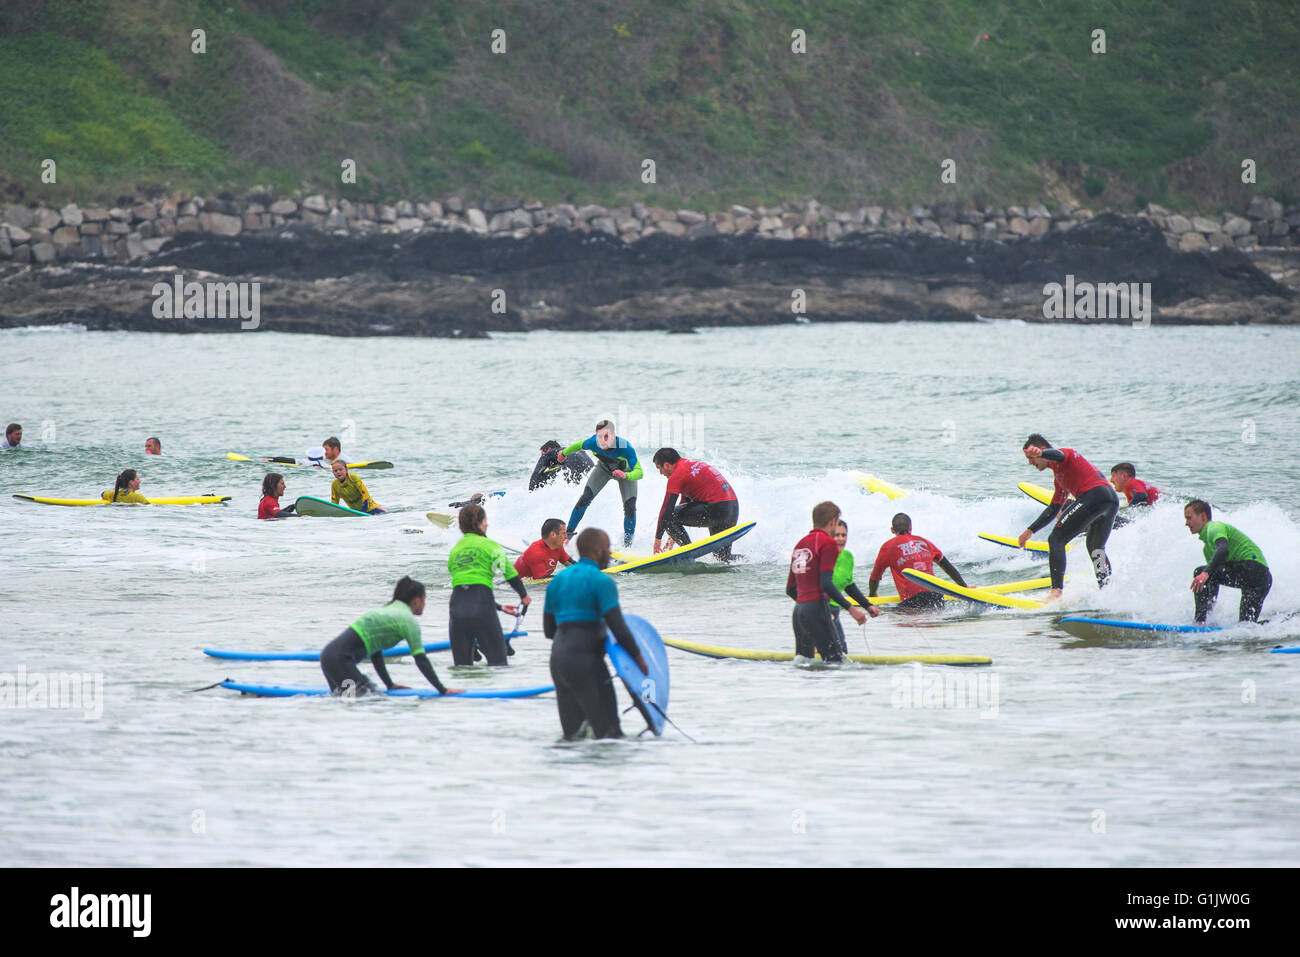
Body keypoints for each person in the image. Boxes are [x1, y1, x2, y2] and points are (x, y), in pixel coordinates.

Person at [544, 528, 648, 740]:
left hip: (558, 660)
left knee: (572, 736)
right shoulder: (602, 581)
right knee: (609, 734)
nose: (610, 554)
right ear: (598, 550)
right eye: (608, 549)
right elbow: (618, 627)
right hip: (586, 661)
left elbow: (548, 630)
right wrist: (639, 659)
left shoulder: (557, 581)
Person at [319, 577, 462, 696]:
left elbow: (375, 652)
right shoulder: (408, 621)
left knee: (346, 700)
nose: (425, 604)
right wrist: (442, 690)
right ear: (416, 601)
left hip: (329, 658)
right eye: (425, 599)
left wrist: (389, 684)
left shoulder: (388, 610)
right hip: (340, 661)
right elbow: (421, 659)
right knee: (370, 698)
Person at [1017, 434, 1118, 600]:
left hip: (1094, 495)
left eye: (1031, 457)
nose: (1030, 462)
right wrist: (1030, 531)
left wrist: (1042, 454)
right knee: (1095, 547)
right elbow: (1054, 507)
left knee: (1056, 539)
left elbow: (1058, 455)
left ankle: (1056, 592)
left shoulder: (1065, 455)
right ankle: (1107, 590)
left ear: (1041, 450)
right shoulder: (1059, 478)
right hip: (1110, 500)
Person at [787, 501, 874, 663]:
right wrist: (852, 610)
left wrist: (806, 606)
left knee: (803, 664)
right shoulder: (827, 544)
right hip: (817, 609)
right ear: (833, 521)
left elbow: (790, 589)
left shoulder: (800, 544)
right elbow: (825, 583)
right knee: (835, 664)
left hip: (799, 612)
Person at [447, 503, 530, 666]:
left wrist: (498, 607)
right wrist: (524, 595)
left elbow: (467, 588)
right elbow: (510, 574)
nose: (487, 524)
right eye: (485, 520)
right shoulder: (491, 545)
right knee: (499, 664)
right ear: (478, 523)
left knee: (462, 668)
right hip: (482, 608)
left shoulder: (455, 550)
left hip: (456, 608)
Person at [556, 420, 642, 545]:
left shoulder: (625, 447)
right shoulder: (593, 442)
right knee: (585, 498)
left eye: (606, 436)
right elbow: (578, 445)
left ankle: (627, 545)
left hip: (625, 473)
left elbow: (639, 472)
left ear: (613, 435)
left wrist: (625, 475)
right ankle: (568, 536)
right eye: (599, 436)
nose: (602, 440)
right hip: (603, 469)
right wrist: (563, 453)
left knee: (630, 507)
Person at [1185, 500, 1271, 624]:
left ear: (1203, 517)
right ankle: (1281, 625)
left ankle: (1199, 622)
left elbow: (1223, 549)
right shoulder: (1208, 549)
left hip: (1253, 568)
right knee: (1246, 626)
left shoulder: (1213, 527)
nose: (1186, 523)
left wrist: (1205, 573)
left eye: (1189, 518)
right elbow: (1211, 583)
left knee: (1200, 572)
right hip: (1261, 580)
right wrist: (1209, 613)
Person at [651, 448, 740, 559]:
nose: (660, 473)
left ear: (667, 465)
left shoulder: (677, 475)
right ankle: (750, 561)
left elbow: (667, 510)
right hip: (731, 509)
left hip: (715, 508)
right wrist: (672, 539)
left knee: (669, 516)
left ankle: (688, 552)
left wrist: (657, 540)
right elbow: (684, 505)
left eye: (659, 468)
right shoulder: (689, 466)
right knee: (723, 558)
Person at [869, 513, 968, 613]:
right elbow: (947, 566)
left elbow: (875, 577)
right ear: (910, 527)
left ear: (892, 530)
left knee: (886, 615)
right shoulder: (925, 542)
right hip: (936, 597)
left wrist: (872, 596)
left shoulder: (888, 547)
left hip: (912, 601)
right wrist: (964, 587)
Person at [826, 519, 879, 652]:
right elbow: (819, 586)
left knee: (842, 652)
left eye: (843, 535)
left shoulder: (847, 557)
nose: (840, 539)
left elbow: (849, 586)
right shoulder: (823, 557)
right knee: (826, 654)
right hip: (819, 610)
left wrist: (867, 605)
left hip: (835, 610)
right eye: (836, 535)